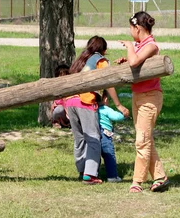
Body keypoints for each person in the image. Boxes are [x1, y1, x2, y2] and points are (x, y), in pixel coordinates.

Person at [118, 11, 170, 193]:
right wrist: (127, 58)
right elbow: (134, 63)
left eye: (131, 29)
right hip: (138, 96)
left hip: (150, 97)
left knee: (142, 140)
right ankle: (160, 177)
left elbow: (135, 62)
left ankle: (137, 182)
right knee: (146, 139)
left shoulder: (151, 46)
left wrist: (130, 47)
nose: (131, 33)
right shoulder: (141, 46)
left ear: (138, 28)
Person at [66, 36, 130, 185]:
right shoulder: (99, 60)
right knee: (93, 138)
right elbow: (109, 82)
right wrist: (118, 105)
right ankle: (90, 175)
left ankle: (82, 170)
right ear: (104, 50)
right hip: (84, 101)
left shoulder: (80, 61)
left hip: (70, 101)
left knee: (80, 139)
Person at [97, 90, 126, 182]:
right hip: (105, 135)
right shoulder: (106, 109)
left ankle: (94, 175)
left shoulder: (93, 109)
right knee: (109, 155)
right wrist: (123, 114)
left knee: (95, 156)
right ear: (105, 99)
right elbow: (116, 117)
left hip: (95, 133)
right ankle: (112, 176)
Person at [51, 64, 71, 128]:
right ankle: (56, 122)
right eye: (61, 76)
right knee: (59, 109)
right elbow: (57, 103)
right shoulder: (56, 89)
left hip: (70, 112)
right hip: (62, 114)